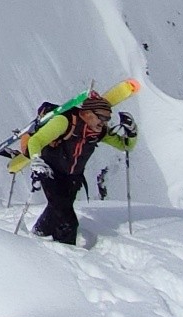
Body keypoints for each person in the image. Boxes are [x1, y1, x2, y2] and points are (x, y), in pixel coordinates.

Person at [23, 93, 137, 245]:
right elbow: (36, 141)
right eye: (102, 117)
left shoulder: (98, 132)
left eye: (108, 119)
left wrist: (132, 133)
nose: (104, 123)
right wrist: (36, 160)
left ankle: (39, 233)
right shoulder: (64, 121)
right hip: (50, 172)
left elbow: (125, 145)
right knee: (67, 220)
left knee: (57, 209)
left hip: (73, 177)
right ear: (87, 113)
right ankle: (65, 253)